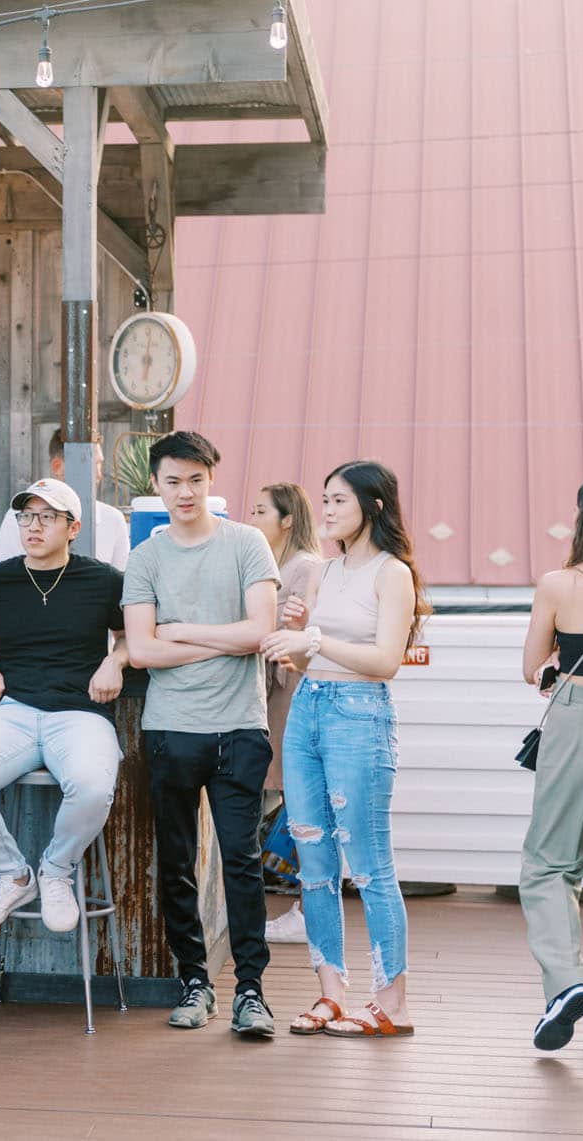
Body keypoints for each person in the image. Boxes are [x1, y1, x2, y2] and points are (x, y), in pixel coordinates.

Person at [261, 461, 427, 1039]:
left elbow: (385, 663)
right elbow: (309, 660)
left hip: (360, 715)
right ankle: (332, 994)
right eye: (324, 501)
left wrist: (314, 637)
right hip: (308, 707)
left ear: (373, 506)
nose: (326, 510)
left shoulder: (393, 573)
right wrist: (299, 640)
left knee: (370, 864)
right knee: (314, 862)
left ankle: (393, 1004)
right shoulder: (324, 571)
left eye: (339, 501)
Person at [122, 431, 280, 1037]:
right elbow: (140, 650)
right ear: (157, 486)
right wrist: (220, 634)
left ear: (212, 480)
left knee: (241, 862)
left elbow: (259, 633)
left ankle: (250, 991)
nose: (184, 492)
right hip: (171, 730)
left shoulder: (247, 543)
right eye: (172, 481)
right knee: (177, 862)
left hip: (240, 727)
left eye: (195, 479)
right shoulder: (148, 557)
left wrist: (182, 630)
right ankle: (194, 981)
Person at [0, 479, 129, 937]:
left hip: (80, 713)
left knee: (90, 785)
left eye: (48, 517)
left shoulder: (104, 579)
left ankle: (56, 870)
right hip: (14, 710)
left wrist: (114, 661)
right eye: (26, 516)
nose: (34, 526)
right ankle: (12, 874)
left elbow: (133, 635)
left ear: (73, 527)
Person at [516, 473, 583, 1051]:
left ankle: (567, 983)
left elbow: (532, 668)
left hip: (579, 719)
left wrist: (555, 662)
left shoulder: (560, 583)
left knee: (550, 865)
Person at [251, 482, 323, 945]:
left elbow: (305, 633)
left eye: (261, 510)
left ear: (287, 519)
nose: (251, 518)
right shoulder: (272, 566)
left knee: (301, 800)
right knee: (284, 797)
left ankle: (306, 910)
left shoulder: (305, 568)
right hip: (274, 696)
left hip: (293, 695)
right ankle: (301, 907)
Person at [0, 428, 130, 570]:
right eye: (91, 464)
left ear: (75, 528)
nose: (99, 475)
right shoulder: (16, 517)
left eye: (100, 464)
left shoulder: (113, 519)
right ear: (57, 467)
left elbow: (123, 585)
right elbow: (2, 578)